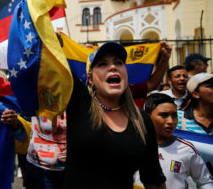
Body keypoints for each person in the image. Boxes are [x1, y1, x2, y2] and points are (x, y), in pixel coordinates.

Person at [62, 42, 166, 188]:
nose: (113, 67)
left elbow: (153, 178)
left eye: (118, 63)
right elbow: (48, 63)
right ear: (90, 79)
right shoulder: (79, 103)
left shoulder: (142, 121)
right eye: (102, 64)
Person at [142, 93, 213, 189]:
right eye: (164, 115)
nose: (171, 121)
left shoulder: (186, 149)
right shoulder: (133, 145)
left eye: (174, 115)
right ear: (147, 117)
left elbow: (205, 182)